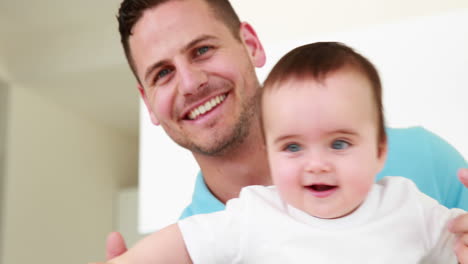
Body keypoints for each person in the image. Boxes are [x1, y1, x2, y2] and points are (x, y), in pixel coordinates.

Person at [105, 0, 468, 261]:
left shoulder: (428, 163)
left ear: (251, 45)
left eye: (202, 50)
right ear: (148, 101)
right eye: (162, 73)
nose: (190, 83)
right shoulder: (198, 243)